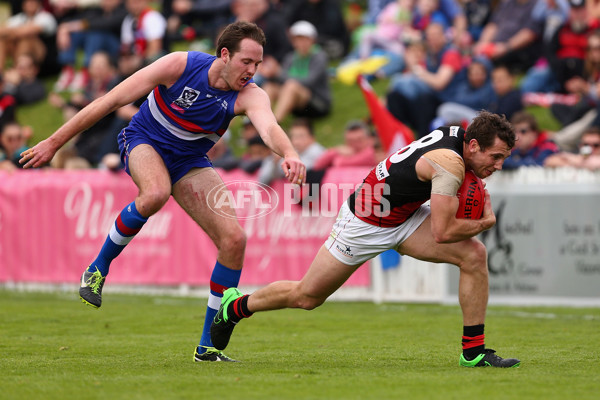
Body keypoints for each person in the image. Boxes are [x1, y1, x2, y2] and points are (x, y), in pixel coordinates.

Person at [19, 21, 306, 362]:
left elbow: (269, 127)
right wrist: (53, 142)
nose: (252, 71)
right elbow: (110, 100)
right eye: (247, 62)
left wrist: (289, 153)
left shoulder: (251, 94)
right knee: (155, 193)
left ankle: (207, 347)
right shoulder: (179, 65)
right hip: (144, 140)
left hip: (189, 160)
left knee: (234, 240)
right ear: (225, 54)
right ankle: (97, 269)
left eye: (257, 64)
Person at [210, 110, 522, 368]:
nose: (497, 166)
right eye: (495, 157)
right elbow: (443, 233)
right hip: (363, 223)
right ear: (473, 145)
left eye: (503, 159)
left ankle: (473, 351)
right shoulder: (450, 163)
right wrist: (484, 221)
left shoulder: (458, 135)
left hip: (403, 215)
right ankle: (236, 306)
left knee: (473, 256)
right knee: (307, 297)